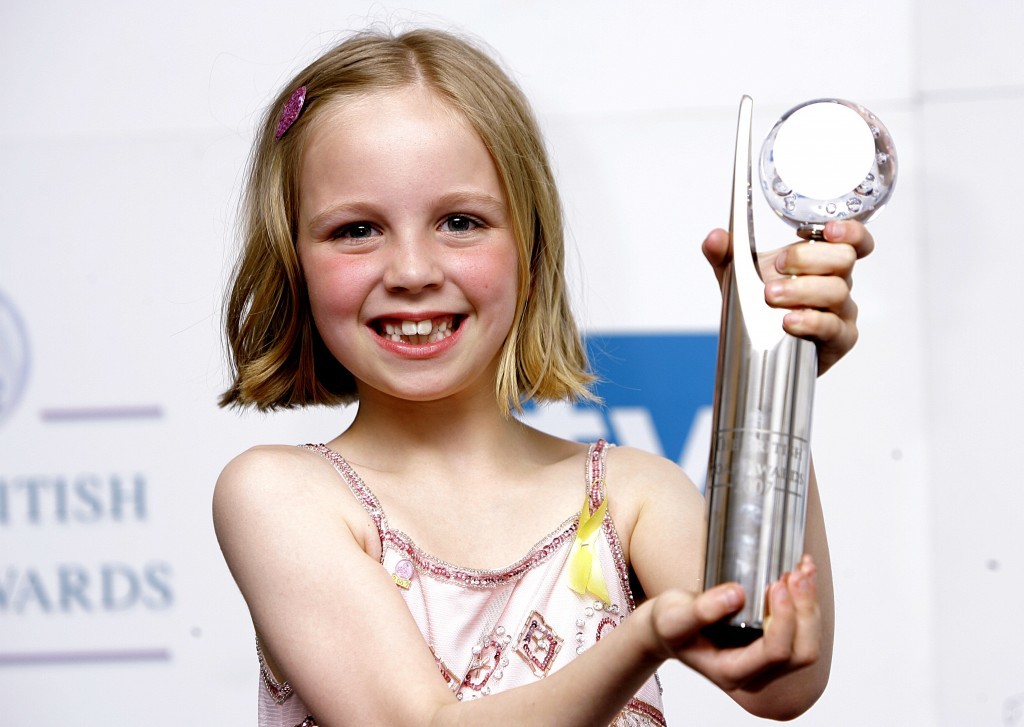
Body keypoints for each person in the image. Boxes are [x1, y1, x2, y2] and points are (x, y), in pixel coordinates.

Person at [214, 27, 873, 727]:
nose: (411, 271)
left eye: (460, 221)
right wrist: (642, 640)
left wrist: (774, 368)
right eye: (355, 230)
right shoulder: (278, 495)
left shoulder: (630, 495)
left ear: (530, 245)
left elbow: (777, 677)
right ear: (292, 259)